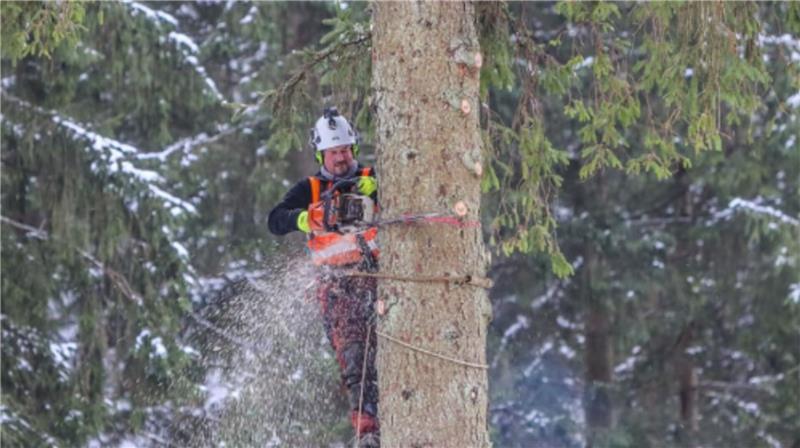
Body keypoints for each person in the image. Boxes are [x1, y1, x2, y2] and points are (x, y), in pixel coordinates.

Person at [268, 107, 380, 448]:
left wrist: (375, 188)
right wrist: (308, 219)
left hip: (380, 278)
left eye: (346, 150)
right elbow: (275, 220)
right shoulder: (310, 189)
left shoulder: (371, 178)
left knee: (391, 349)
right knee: (355, 357)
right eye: (334, 152)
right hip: (337, 287)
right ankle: (369, 431)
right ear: (322, 154)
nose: (341, 158)